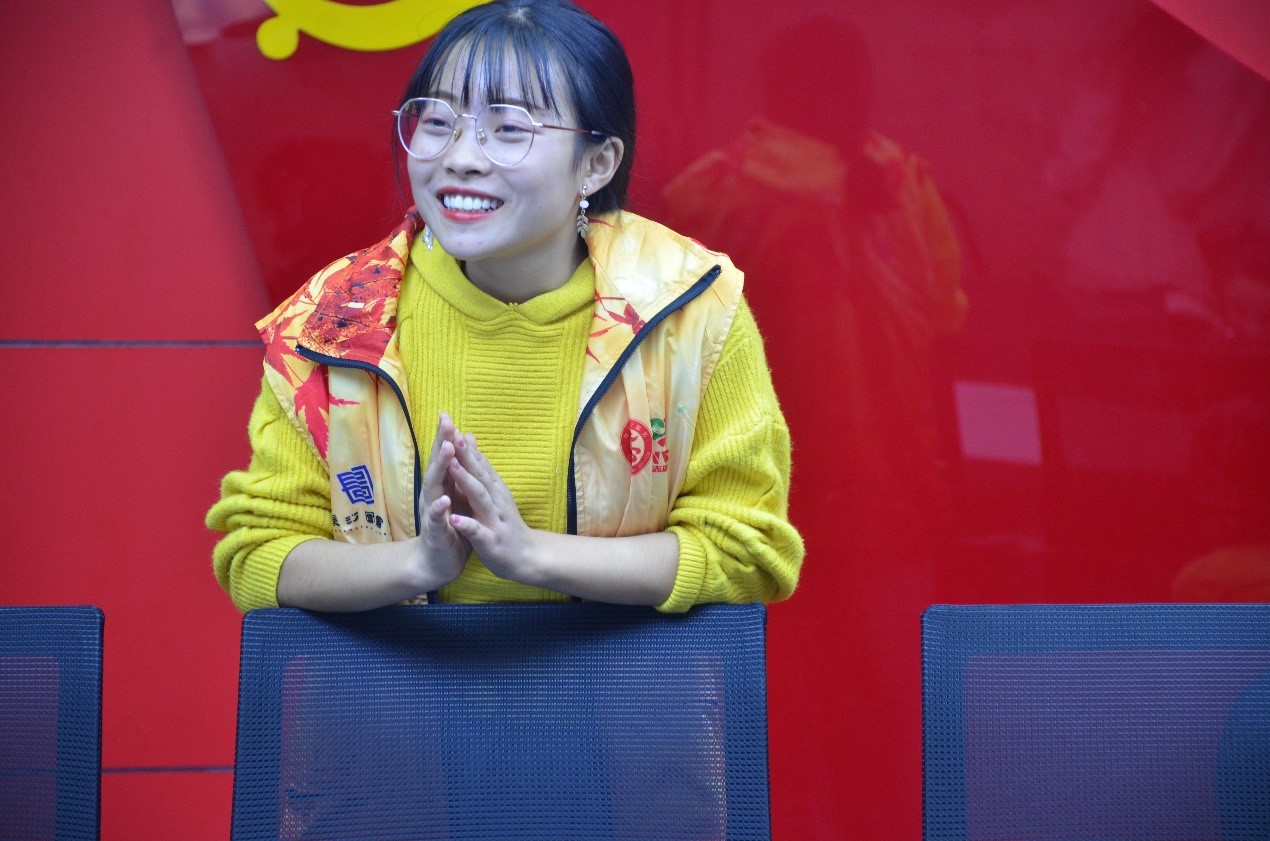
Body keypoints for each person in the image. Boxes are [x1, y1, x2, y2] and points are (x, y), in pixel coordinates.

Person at [207, 0, 803, 613]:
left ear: (597, 164)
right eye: (437, 120)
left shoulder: (689, 308)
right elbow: (258, 555)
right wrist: (418, 563)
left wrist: (532, 555)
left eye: (510, 128)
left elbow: (749, 550)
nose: (461, 157)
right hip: (400, 675)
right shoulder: (332, 323)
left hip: (620, 677)